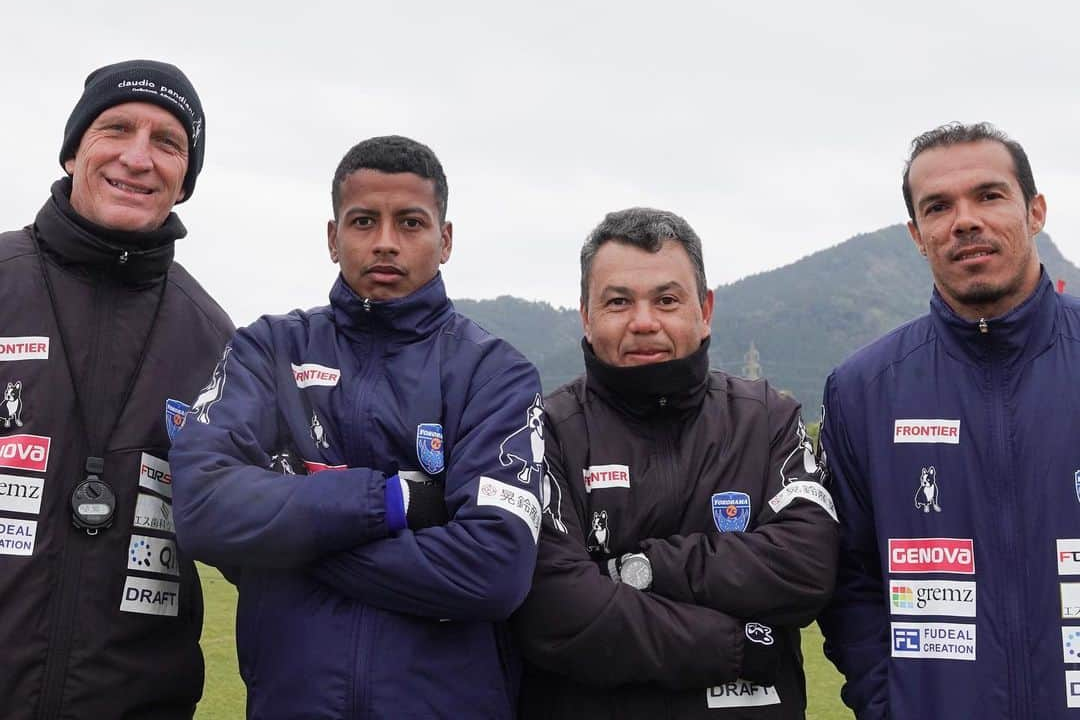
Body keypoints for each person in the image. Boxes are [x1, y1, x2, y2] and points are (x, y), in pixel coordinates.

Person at [171, 135, 544, 719]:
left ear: (445, 240)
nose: (386, 243)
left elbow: (494, 569)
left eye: (411, 223)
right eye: (364, 221)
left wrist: (292, 541)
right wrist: (390, 501)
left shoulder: (494, 373)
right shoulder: (268, 349)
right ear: (332, 237)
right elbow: (200, 508)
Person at [513, 207, 838, 718]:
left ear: (704, 309)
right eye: (618, 301)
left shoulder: (768, 419)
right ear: (585, 314)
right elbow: (558, 610)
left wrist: (639, 569)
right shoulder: (544, 430)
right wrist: (735, 646)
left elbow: (807, 567)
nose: (644, 322)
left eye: (666, 300)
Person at [819, 121, 1080, 717]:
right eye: (938, 206)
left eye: (988, 196)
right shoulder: (863, 388)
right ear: (917, 234)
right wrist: (889, 704)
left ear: (1035, 211)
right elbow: (849, 579)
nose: (964, 220)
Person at [0, 59, 233, 719]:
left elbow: (258, 536)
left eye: (168, 142)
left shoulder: (217, 340)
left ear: (185, 180)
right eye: (116, 129)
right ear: (75, 150)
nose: (138, 157)